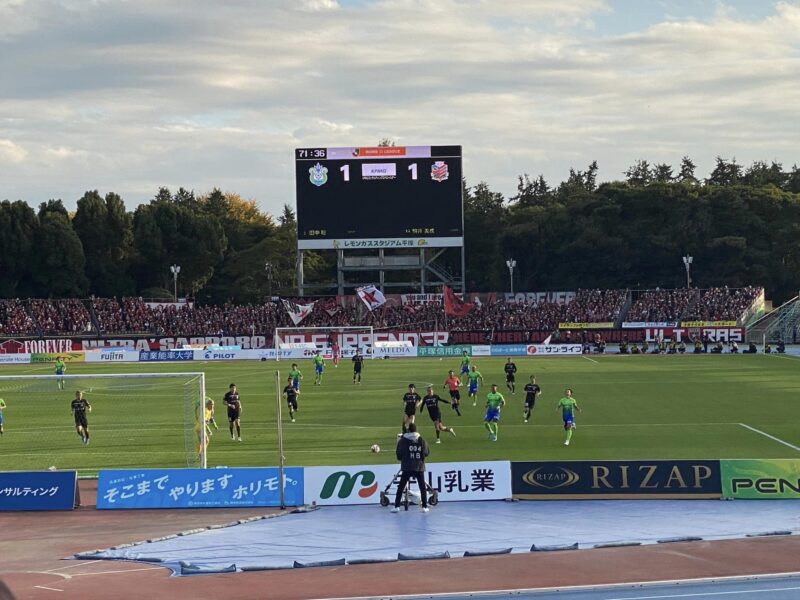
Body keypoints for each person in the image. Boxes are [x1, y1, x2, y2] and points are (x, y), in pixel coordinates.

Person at [392, 423, 430, 513]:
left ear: (408, 430)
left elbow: (399, 455)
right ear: (416, 430)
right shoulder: (421, 440)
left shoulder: (403, 440)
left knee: (401, 487)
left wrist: (404, 459)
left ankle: (397, 506)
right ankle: (424, 506)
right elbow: (426, 452)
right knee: (422, 487)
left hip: (407, 466)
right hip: (419, 467)